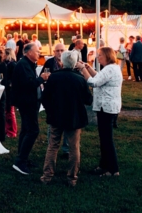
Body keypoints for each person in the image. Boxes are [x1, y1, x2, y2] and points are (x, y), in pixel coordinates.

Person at [41, 51, 93, 186]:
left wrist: (50, 110)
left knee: (53, 145)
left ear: (62, 62)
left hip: (56, 116)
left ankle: (47, 176)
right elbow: (88, 99)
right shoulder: (80, 79)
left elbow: (45, 98)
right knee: (74, 147)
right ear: (75, 63)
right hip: (74, 117)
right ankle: (72, 177)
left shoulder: (53, 78)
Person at [77, 47, 123, 177]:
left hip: (106, 108)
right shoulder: (112, 68)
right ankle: (104, 165)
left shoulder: (109, 69)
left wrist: (83, 69)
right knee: (104, 138)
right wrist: (89, 68)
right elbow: (99, 77)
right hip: (107, 107)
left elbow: (93, 82)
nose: (98, 57)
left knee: (107, 139)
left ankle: (113, 169)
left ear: (107, 56)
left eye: (100, 55)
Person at [12, 43, 50, 175]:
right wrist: (41, 79)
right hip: (27, 102)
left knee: (26, 129)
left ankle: (22, 157)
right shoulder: (23, 65)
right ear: (28, 53)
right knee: (33, 131)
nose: (38, 53)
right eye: (36, 51)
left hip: (29, 102)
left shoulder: (27, 64)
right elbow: (27, 84)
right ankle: (20, 161)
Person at [40, 43, 70, 158]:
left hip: (66, 97)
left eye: (62, 50)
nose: (59, 52)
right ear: (54, 52)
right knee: (53, 123)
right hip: (53, 97)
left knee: (67, 124)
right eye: (57, 50)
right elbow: (42, 75)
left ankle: (66, 149)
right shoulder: (49, 63)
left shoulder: (69, 61)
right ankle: (52, 146)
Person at [4, 48, 17, 138]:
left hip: (10, 91)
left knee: (10, 111)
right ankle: (7, 129)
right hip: (8, 90)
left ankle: (12, 131)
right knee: (7, 111)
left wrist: (9, 84)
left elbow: (13, 78)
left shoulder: (12, 64)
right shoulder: (8, 64)